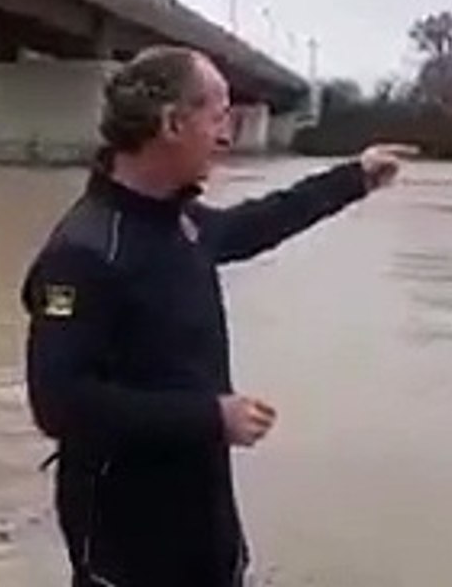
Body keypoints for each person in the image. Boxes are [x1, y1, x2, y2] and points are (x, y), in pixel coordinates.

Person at [22, 46, 413, 587]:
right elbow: (59, 405)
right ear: (172, 123)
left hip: (201, 508)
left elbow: (254, 225)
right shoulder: (84, 253)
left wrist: (354, 179)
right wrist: (210, 417)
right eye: (217, 115)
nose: (227, 134)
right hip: (123, 532)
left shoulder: (175, 220)